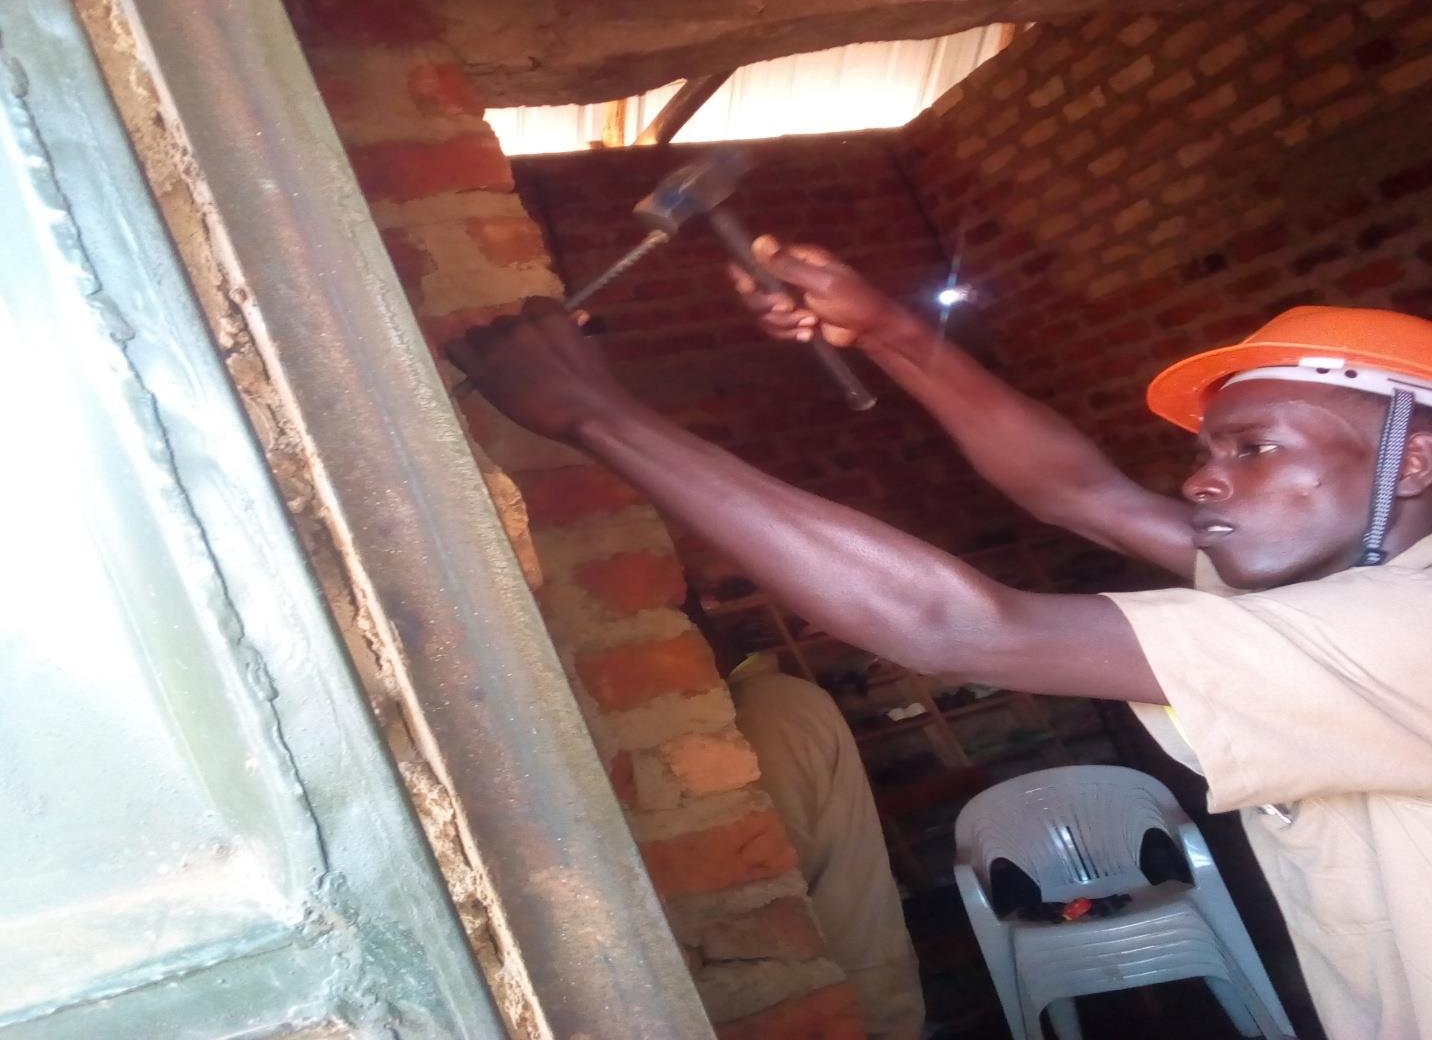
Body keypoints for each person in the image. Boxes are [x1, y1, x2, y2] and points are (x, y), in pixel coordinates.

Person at [447, 239, 1432, 1040]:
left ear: (1414, 461)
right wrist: (888, 328)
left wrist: (595, 414)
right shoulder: (1346, 581)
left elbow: (956, 626)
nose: (1201, 480)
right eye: (1207, 450)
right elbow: (1081, 492)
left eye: (1253, 449)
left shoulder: (1403, 628)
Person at [683, 591, 925, 1039]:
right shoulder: (773, 700)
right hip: (852, 975)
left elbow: (771, 870)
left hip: (842, 989)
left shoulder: (762, 713)